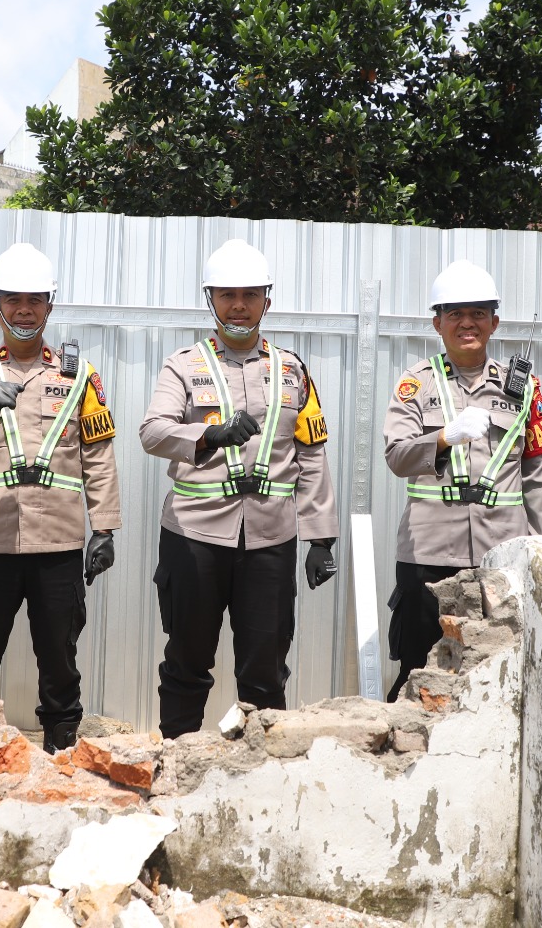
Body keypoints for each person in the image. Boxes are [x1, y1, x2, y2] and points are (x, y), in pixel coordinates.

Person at [0, 242, 121, 754]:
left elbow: (98, 454)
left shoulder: (79, 378)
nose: (25, 310)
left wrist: (105, 528)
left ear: (50, 306)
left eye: (35, 300)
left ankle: (62, 753)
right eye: (13, 300)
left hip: (58, 544)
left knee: (60, 662)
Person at [139, 239, 339, 739]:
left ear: (266, 301)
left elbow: (311, 453)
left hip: (271, 540)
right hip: (194, 537)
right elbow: (153, 432)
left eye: (250, 294)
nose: (239, 305)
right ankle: (177, 765)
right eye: (227, 294)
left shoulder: (293, 370)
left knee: (266, 671)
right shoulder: (183, 365)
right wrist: (208, 434)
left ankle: (260, 776)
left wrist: (321, 537)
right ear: (211, 299)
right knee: (187, 663)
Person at [383, 260, 542, 699]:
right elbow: (397, 457)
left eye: (479, 313)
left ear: (494, 322)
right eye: (455, 314)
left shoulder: (523, 390)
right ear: (437, 323)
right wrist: (443, 438)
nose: (468, 323)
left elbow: (541, 474)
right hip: (427, 554)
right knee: (417, 672)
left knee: (499, 672)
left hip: (501, 557)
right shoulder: (415, 386)